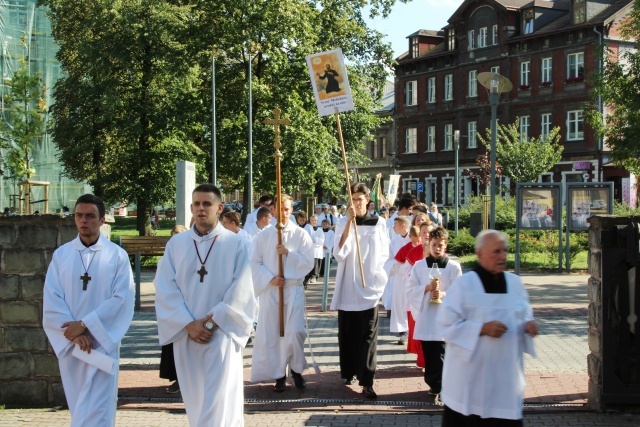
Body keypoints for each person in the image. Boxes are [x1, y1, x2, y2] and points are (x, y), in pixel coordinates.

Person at [155, 183, 256, 426]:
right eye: (197, 204)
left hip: (221, 332)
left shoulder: (236, 244)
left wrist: (211, 323)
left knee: (219, 399)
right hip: (187, 333)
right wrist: (189, 323)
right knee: (196, 400)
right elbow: (165, 288)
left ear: (219, 208)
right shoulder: (176, 245)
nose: (201, 209)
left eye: (207, 204)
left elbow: (241, 289)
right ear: (191, 207)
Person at [43, 194, 135, 426]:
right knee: (78, 403)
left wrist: (86, 326)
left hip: (102, 342)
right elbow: (52, 298)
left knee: (101, 406)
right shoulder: (62, 255)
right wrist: (74, 333)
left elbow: (122, 299)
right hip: (72, 344)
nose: (84, 221)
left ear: (102, 220)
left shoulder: (117, 256)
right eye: (79, 215)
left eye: (90, 216)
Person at [438, 230, 538, 426]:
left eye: (505, 251)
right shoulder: (464, 285)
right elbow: (446, 323)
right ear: (480, 254)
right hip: (469, 381)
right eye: (496, 252)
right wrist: (481, 328)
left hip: (505, 381)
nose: (502, 256)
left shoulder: (515, 283)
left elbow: (524, 311)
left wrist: (528, 323)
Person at [250, 194, 314, 392]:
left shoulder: (301, 234)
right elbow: (254, 262)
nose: (284, 213)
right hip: (272, 290)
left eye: (288, 209)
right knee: (275, 333)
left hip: (293, 288)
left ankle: (296, 370)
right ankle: (279, 374)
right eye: (281, 209)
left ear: (291, 210)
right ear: (273, 211)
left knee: (294, 331)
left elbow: (308, 261)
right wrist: (270, 278)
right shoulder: (263, 236)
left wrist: (289, 254)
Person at [332, 182, 389, 399]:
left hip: (370, 283)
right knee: (348, 332)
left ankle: (367, 380)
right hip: (349, 282)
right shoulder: (343, 222)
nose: (356, 203)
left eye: (360, 199)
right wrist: (349, 222)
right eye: (353, 199)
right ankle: (349, 371)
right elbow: (339, 252)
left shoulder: (379, 223)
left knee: (368, 334)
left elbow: (384, 253)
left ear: (368, 200)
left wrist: (378, 275)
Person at [406, 227, 462, 399]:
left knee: (443, 351)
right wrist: (426, 288)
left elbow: (460, 291)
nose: (437, 248)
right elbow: (410, 289)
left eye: (440, 245)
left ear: (446, 246)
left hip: (445, 317)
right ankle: (434, 384)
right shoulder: (419, 266)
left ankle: (445, 385)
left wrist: (444, 294)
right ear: (428, 244)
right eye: (434, 245)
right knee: (430, 352)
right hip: (427, 316)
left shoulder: (453, 267)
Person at [158, 224, 188, 394]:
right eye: (173, 234)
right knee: (174, 347)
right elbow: (160, 282)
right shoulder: (166, 258)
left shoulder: (192, 255)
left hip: (191, 309)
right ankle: (177, 378)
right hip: (173, 309)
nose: (176, 237)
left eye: (179, 234)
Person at [389, 225, 421, 345]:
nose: (416, 242)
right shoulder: (406, 248)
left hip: (423, 284)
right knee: (407, 306)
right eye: (414, 240)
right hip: (407, 281)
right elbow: (398, 264)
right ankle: (405, 332)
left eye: (418, 240)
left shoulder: (425, 247)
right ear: (410, 237)